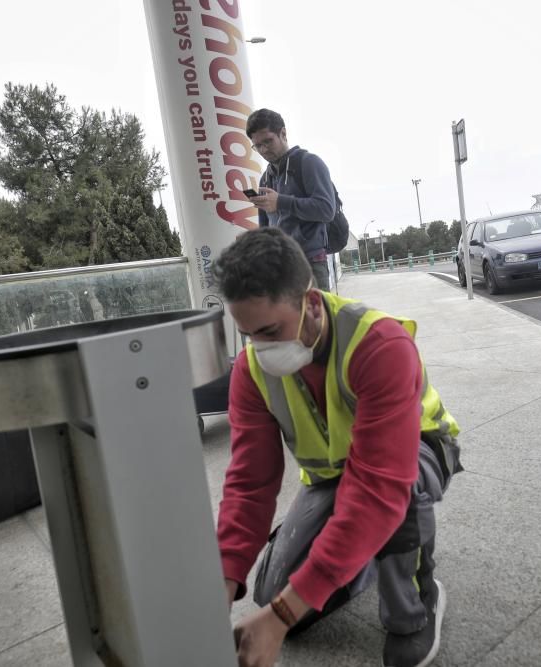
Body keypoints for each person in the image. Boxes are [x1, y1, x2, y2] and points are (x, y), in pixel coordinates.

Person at [213, 227, 463, 667]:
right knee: (272, 595)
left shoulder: (379, 344)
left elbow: (377, 488)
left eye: (270, 330)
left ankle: (417, 609)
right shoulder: (251, 370)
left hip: (415, 455)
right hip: (334, 476)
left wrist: (284, 614)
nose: (260, 349)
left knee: (392, 503)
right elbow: (249, 483)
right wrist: (224, 580)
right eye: (248, 334)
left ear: (311, 303)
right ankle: (358, 555)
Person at [246, 108, 337, 290]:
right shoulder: (266, 177)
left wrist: (281, 202)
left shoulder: (309, 163)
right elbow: (265, 227)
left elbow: (327, 210)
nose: (264, 150)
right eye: (258, 145)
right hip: (281, 268)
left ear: (283, 133)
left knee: (317, 318)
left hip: (310, 262)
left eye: (268, 141)